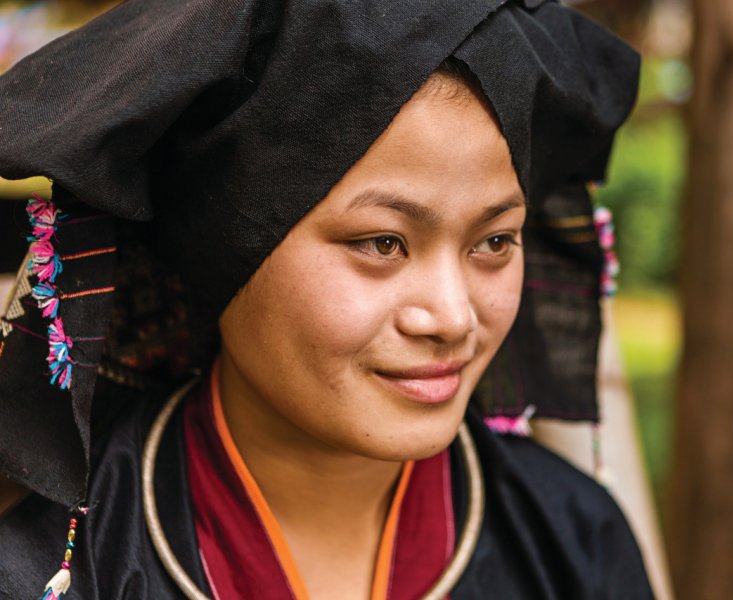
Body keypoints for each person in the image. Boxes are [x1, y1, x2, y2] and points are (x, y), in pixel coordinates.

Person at [0, 0, 650, 598]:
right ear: (225, 247)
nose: (453, 317)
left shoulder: (572, 543)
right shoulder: (52, 569)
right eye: (383, 243)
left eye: (494, 241)